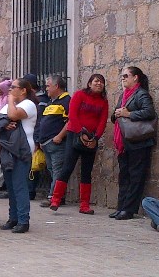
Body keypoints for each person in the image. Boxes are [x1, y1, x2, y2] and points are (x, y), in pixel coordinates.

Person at [50, 74, 109, 214]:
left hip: (91, 138)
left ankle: (84, 205)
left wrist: (95, 138)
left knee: (86, 171)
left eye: (101, 82)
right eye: (96, 81)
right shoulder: (79, 95)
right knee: (67, 167)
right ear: (89, 83)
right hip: (74, 135)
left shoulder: (103, 101)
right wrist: (80, 133)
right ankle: (55, 199)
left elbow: (102, 121)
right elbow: (73, 115)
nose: (99, 84)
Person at [110, 67, 156, 220]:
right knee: (124, 176)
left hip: (138, 142)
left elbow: (149, 112)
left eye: (126, 76)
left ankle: (129, 209)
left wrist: (128, 114)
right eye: (122, 76)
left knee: (135, 176)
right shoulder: (124, 95)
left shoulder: (141, 94)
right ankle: (121, 207)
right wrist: (116, 114)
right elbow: (116, 114)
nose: (123, 79)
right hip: (124, 141)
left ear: (135, 78)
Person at [0, 78, 37, 233]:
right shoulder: (10, 105)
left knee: (20, 185)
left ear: (23, 90)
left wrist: (11, 101)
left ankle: (23, 220)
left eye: (13, 87)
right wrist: (4, 123)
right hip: (8, 148)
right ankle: (13, 217)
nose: (10, 90)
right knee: (11, 186)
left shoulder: (28, 105)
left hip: (22, 149)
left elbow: (13, 115)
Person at [37, 75, 70, 207]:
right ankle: (57, 195)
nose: (46, 89)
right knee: (52, 170)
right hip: (46, 143)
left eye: (48, 85)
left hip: (56, 143)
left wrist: (60, 136)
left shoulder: (67, 100)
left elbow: (70, 121)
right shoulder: (52, 102)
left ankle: (54, 197)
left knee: (57, 170)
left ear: (56, 86)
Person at [23, 73, 50, 201]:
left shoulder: (40, 101)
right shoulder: (38, 100)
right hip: (34, 135)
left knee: (34, 164)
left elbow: (40, 120)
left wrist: (37, 138)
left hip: (37, 136)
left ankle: (30, 190)